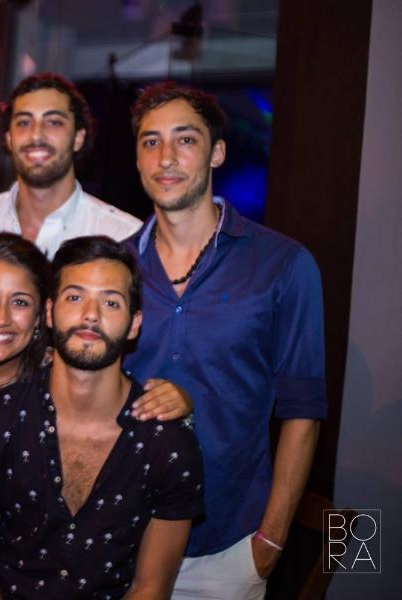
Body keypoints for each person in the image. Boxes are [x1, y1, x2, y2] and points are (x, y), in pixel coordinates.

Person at [124, 82, 326, 600]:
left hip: (226, 548)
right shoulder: (111, 269)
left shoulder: (282, 265)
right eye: (151, 141)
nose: (166, 157)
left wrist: (270, 542)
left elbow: (303, 413)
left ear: (216, 152)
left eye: (185, 139)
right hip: (118, 538)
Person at [0, 235, 204, 599]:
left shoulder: (168, 445)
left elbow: (151, 588)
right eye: (75, 297)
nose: (91, 314)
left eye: (110, 302)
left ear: (134, 323)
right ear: (49, 313)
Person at [0, 232, 192, 422]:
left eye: (20, 302)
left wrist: (182, 402)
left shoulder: (63, 373)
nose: (1, 319)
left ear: (41, 314)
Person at [0, 72, 142, 268]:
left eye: (53, 122)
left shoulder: (121, 235)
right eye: (24, 122)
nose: (36, 135)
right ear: (9, 138)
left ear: (78, 138)